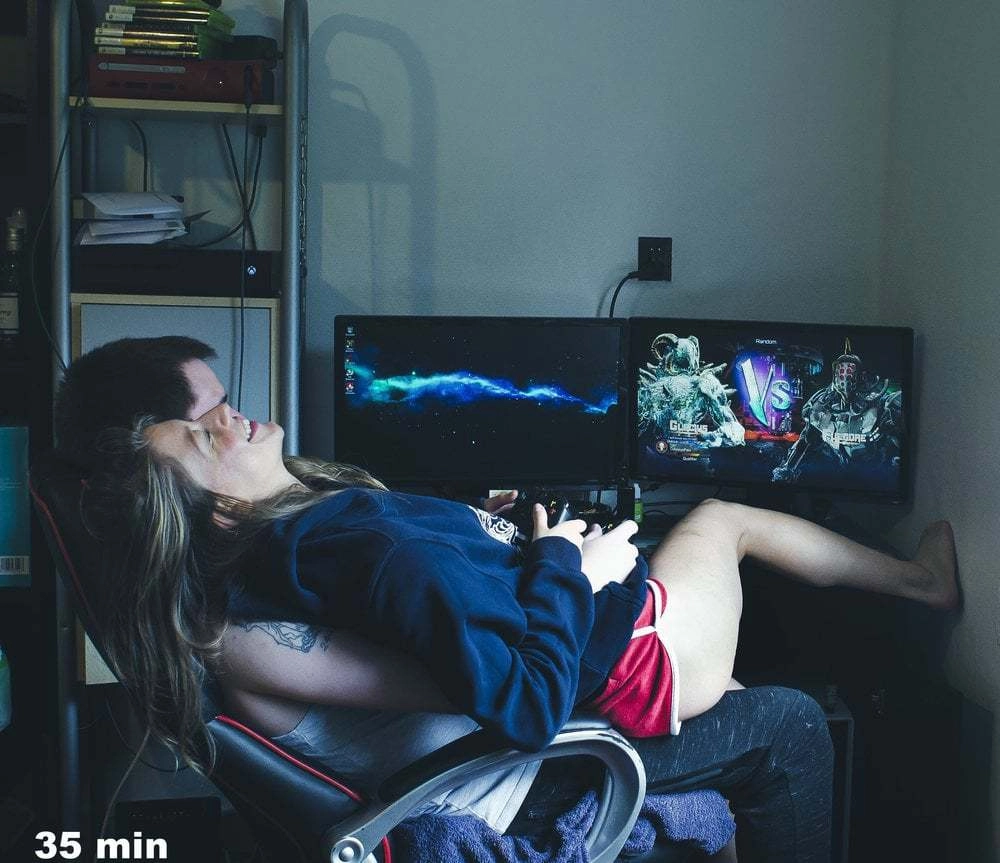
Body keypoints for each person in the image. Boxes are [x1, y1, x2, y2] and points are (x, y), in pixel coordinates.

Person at [56, 337, 958, 862]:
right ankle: (921, 583)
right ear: (213, 508)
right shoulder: (298, 592)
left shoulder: (295, 551)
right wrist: (565, 563)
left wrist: (500, 544)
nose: (230, 417)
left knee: (733, 662)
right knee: (783, 696)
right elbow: (517, 695)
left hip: (563, 679)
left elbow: (439, 627)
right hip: (545, 749)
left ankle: (909, 587)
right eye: (203, 429)